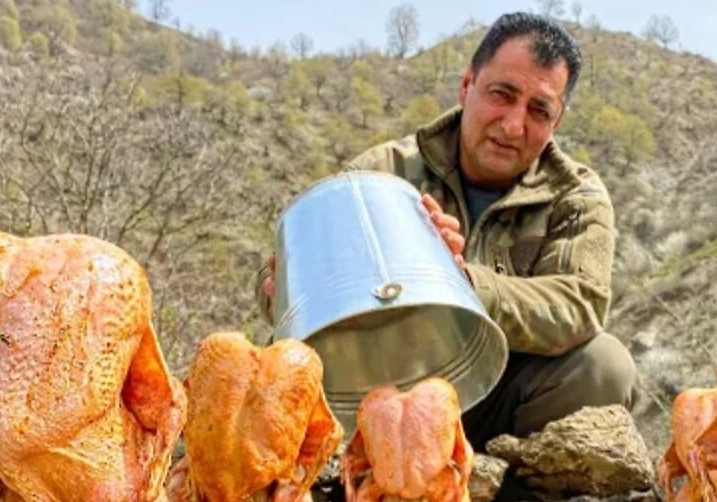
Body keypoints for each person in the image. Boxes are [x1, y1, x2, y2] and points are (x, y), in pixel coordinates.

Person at [257, 12, 635, 451]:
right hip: (384, 392)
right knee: (271, 362)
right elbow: (289, 282)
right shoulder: (381, 173)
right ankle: (329, 488)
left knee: (604, 366)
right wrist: (281, 291)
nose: (514, 125)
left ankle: (508, 501)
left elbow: (580, 303)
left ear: (557, 121)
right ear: (467, 85)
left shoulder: (576, 194)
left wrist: (463, 283)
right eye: (502, 94)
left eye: (538, 110)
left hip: (503, 406)